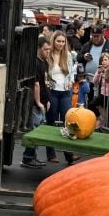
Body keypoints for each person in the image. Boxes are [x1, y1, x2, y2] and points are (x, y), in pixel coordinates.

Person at [46, 30, 78, 165]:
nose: (60, 43)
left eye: (63, 41)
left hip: (65, 91)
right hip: (52, 91)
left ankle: (69, 154)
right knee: (51, 122)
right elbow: (45, 71)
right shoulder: (48, 55)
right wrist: (46, 81)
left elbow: (72, 71)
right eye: (58, 41)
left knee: (68, 121)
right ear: (53, 41)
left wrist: (71, 80)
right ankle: (51, 153)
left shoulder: (69, 55)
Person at [21, 36, 52, 168]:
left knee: (37, 131)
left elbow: (45, 83)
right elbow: (36, 84)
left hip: (44, 102)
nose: (48, 52)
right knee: (33, 132)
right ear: (39, 49)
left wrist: (47, 100)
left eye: (49, 50)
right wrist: (39, 102)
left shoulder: (44, 62)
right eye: (45, 50)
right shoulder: (35, 63)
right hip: (36, 104)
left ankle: (32, 157)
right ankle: (28, 158)